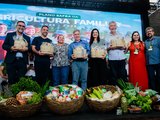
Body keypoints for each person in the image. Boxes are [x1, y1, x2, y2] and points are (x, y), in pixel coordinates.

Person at [105, 21, 127, 85]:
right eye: (111, 26)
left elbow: (124, 46)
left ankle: (123, 91)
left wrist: (123, 47)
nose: (113, 27)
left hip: (122, 58)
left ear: (116, 27)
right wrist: (110, 48)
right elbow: (105, 49)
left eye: (114, 25)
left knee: (123, 75)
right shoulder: (106, 37)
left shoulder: (121, 35)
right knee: (113, 76)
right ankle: (115, 90)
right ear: (109, 27)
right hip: (112, 59)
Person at [144, 27, 160, 92]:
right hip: (149, 63)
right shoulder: (145, 42)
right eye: (147, 32)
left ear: (153, 32)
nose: (149, 32)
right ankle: (154, 92)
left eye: (150, 31)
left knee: (159, 78)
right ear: (146, 34)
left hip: (158, 62)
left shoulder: (158, 39)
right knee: (151, 78)